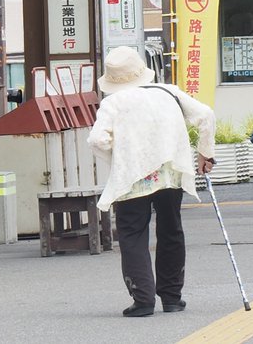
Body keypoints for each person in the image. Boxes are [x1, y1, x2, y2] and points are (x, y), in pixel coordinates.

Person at [88, 46, 216, 318]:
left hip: (132, 175)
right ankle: (171, 297)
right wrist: (206, 153)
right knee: (171, 229)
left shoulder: (113, 103)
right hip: (171, 173)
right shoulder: (168, 92)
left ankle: (143, 299)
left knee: (133, 233)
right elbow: (205, 115)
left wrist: (117, 150)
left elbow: (98, 139)